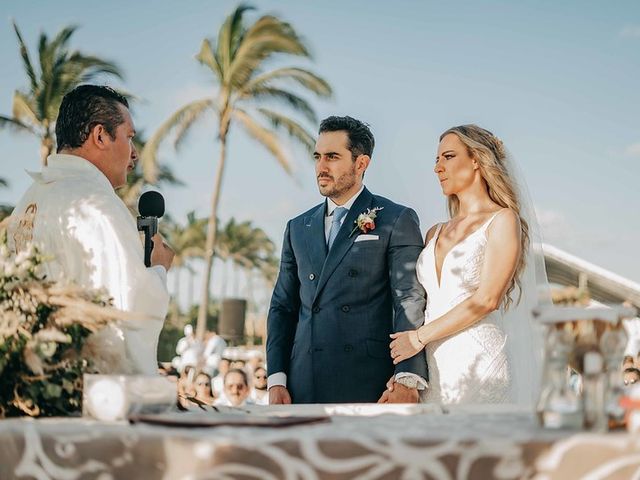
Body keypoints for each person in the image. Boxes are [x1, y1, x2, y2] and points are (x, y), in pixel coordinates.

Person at [7, 85, 174, 374]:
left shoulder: (28, 200)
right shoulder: (97, 205)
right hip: (87, 386)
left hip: (29, 376)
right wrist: (158, 269)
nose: (133, 154)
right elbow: (128, 309)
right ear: (100, 136)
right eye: (129, 138)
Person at [267, 116, 427, 404]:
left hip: (370, 380)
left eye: (332, 157)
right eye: (317, 157)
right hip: (302, 382)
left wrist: (406, 376)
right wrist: (276, 378)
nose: (321, 167)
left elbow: (409, 299)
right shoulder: (296, 227)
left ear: (361, 163)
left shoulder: (395, 218)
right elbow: (282, 306)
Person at [388, 124, 547, 406]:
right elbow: (420, 304)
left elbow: (487, 299)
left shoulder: (502, 220)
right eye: (436, 160)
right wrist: (407, 373)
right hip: (434, 365)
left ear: (476, 159)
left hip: (480, 359)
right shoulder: (433, 232)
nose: (438, 168)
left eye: (448, 157)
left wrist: (418, 338)